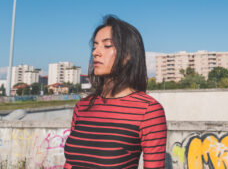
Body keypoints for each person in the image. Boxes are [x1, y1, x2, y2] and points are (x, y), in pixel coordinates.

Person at [64, 15, 167, 169]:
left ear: (127, 55)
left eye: (107, 45)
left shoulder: (148, 110)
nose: (95, 53)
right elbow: (70, 164)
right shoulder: (82, 107)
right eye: (95, 46)